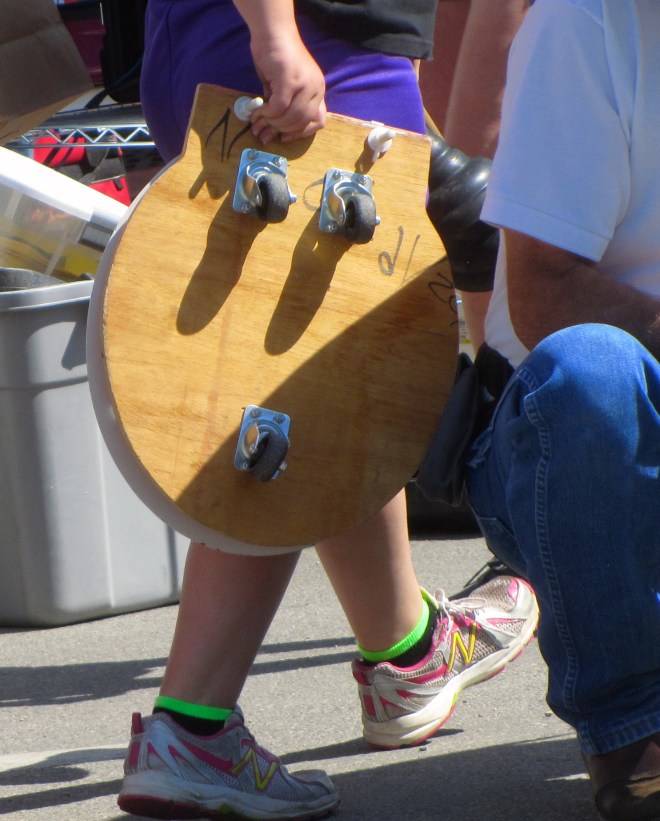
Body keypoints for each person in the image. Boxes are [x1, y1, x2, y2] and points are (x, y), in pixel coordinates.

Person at [115, 3, 539, 820]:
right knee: (299, 396)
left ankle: (404, 652)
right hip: (299, 55)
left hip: (245, 47)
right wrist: (277, 36)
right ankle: (192, 725)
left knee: (334, 375)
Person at [462, 1, 660, 819]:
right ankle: (633, 728)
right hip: (576, 448)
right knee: (590, 370)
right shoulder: (587, 24)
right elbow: (544, 295)